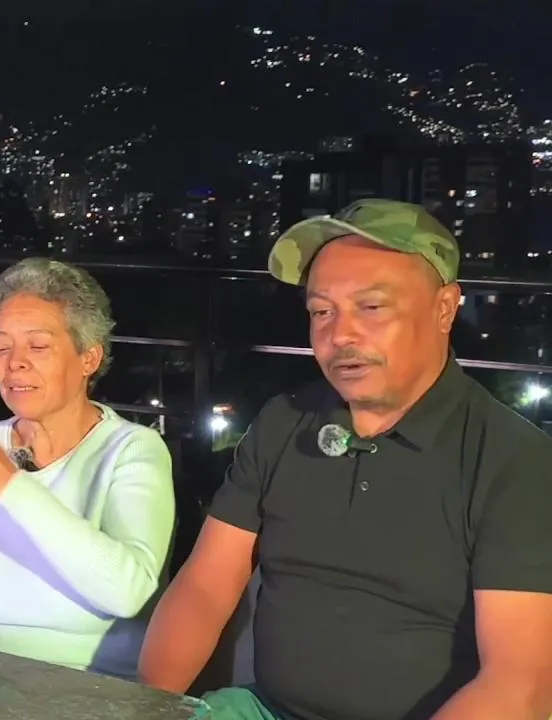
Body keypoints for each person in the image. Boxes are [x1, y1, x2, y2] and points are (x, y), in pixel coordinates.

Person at [138, 199, 552, 720]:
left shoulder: (512, 460)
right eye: (321, 311)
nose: (340, 335)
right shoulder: (284, 423)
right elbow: (204, 588)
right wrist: (147, 707)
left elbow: (519, 684)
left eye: (372, 307)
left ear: (445, 308)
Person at [0, 258, 176, 678]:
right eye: (2, 347)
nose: (14, 363)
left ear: (89, 357)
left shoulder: (131, 450)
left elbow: (128, 592)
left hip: (83, 690)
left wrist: (9, 486)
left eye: (38, 346)